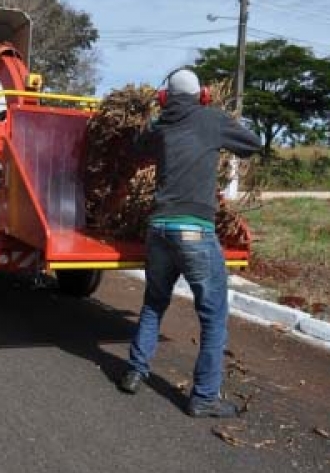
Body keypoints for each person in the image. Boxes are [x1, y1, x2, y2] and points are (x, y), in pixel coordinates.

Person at [119, 69, 261, 418]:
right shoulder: (212, 118)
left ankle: (136, 370)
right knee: (213, 315)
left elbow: (135, 150)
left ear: (166, 98)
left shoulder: (159, 125)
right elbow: (252, 144)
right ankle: (204, 397)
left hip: (158, 229)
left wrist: (155, 117)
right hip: (194, 231)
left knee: (154, 303)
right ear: (204, 96)